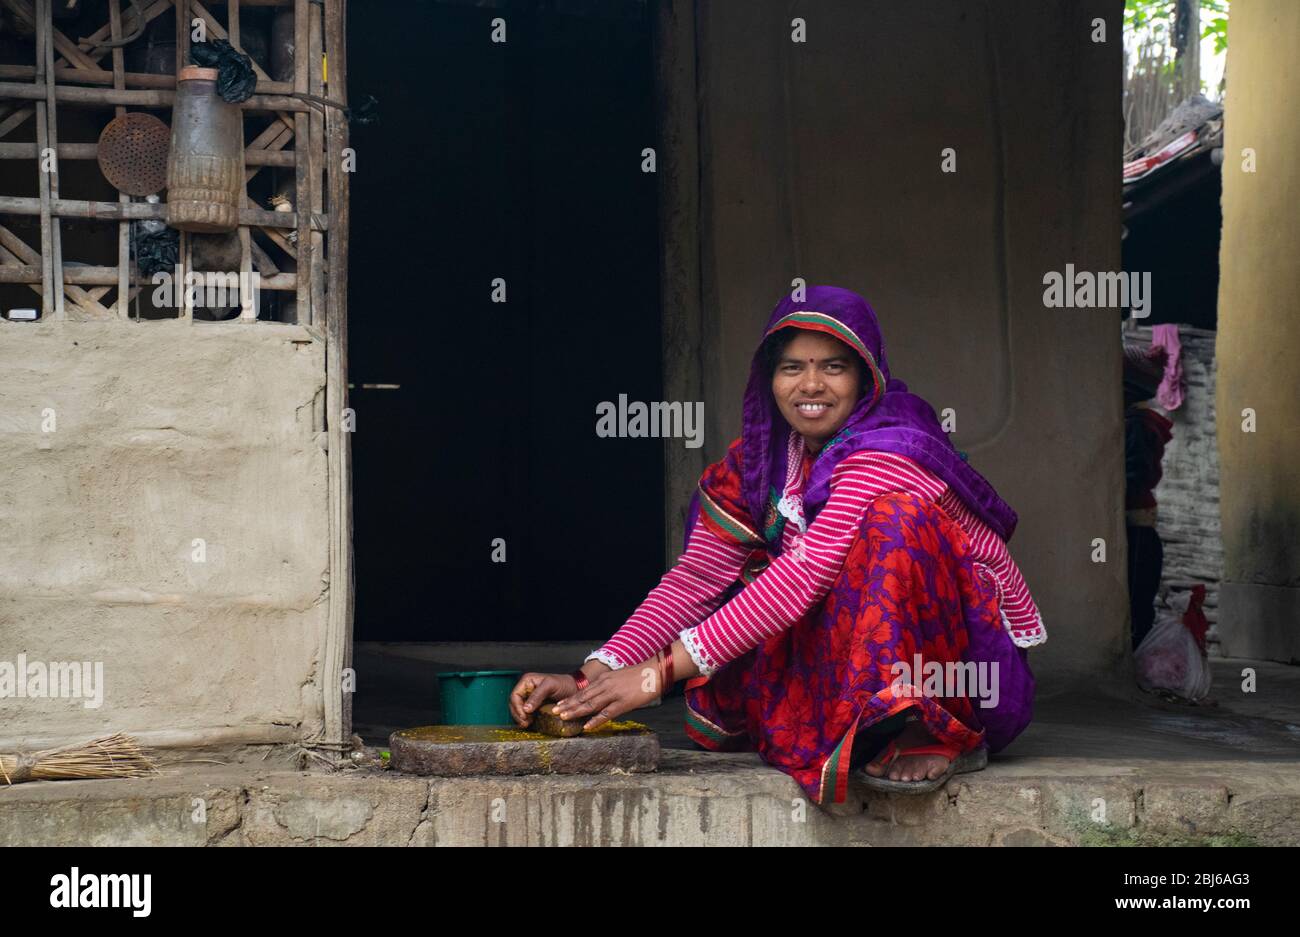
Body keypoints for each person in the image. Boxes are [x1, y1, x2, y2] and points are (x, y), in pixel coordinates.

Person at [509, 286, 1043, 804]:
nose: (811, 385)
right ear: (770, 378)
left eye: (834, 366)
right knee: (749, 576)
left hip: (963, 667)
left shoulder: (889, 446)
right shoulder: (761, 461)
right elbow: (697, 579)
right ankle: (862, 724)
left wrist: (658, 675)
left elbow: (808, 572)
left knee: (895, 523)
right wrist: (590, 677)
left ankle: (928, 726)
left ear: (867, 377)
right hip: (846, 646)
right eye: (792, 367)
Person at [1123, 340, 1174, 649]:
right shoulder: (1137, 424)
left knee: (1136, 603)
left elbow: (1136, 475)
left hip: (1137, 529)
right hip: (1139, 526)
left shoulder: (1138, 428)